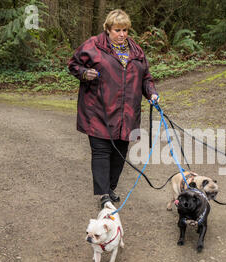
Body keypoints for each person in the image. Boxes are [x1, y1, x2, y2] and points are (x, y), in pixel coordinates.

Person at [68, 9, 159, 208]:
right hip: (99, 112)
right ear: (108, 29)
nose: (122, 34)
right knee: (101, 152)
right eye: (117, 30)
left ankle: (110, 188)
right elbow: (73, 65)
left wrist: (151, 93)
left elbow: (146, 78)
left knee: (119, 153)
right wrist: (85, 73)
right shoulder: (93, 45)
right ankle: (103, 195)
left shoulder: (136, 51)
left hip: (127, 114)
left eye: (125, 30)